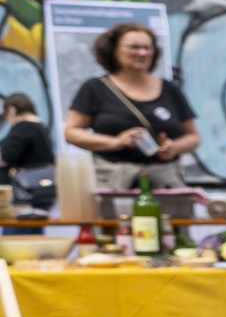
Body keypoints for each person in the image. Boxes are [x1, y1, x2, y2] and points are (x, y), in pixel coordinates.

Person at [65, 21, 199, 193]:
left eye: (147, 47)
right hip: (113, 181)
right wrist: (115, 142)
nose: (142, 53)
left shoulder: (170, 89)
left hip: (164, 183)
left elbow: (193, 136)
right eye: (134, 47)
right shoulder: (95, 88)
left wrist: (174, 147)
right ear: (113, 50)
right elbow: (72, 132)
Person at [2, 93, 53, 212]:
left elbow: (8, 156)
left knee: (20, 229)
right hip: (42, 190)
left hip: (25, 193)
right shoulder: (40, 127)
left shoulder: (23, 127)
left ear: (11, 109)